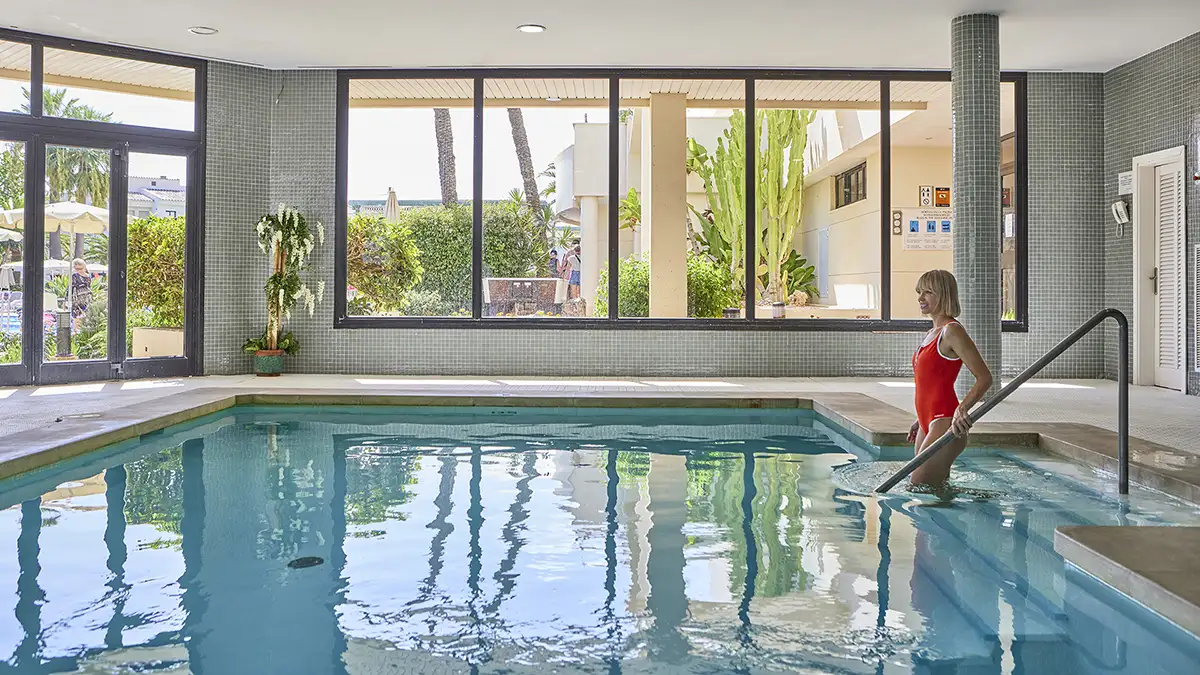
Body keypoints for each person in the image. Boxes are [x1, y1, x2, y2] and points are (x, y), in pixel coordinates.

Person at [906, 269, 993, 489]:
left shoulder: (952, 331)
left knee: (918, 486)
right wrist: (920, 418)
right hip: (927, 422)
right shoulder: (932, 332)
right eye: (919, 292)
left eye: (927, 292)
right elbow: (929, 383)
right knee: (933, 490)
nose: (920, 298)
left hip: (944, 422)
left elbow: (984, 377)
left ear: (943, 294)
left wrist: (963, 408)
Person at [70, 258, 93, 331]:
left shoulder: (88, 276)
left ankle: (84, 330)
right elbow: (71, 287)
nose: (78, 270)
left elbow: (89, 287)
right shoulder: (75, 276)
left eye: (80, 268)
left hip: (87, 297)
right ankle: (76, 332)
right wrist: (67, 298)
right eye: (76, 268)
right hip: (78, 298)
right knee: (77, 315)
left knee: (86, 314)